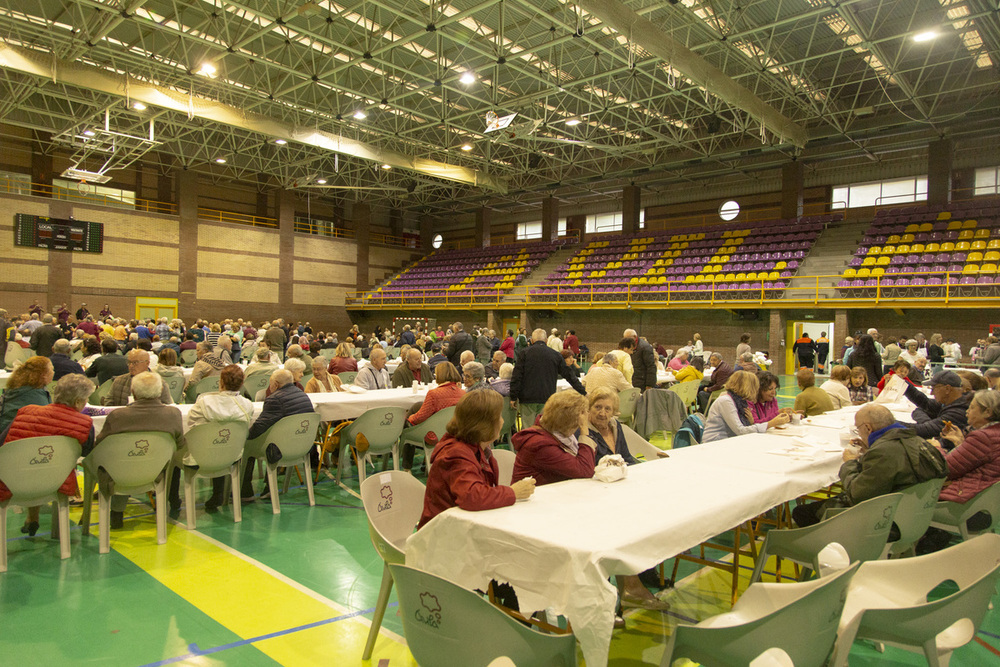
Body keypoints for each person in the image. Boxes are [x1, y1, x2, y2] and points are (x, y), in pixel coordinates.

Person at [791, 404, 947, 527]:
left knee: (801, 512)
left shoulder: (883, 452)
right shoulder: (916, 440)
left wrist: (850, 462)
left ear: (868, 428)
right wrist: (870, 451)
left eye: (858, 428)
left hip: (883, 521)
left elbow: (857, 493)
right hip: (914, 515)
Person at [417, 390, 534, 529]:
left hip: (460, 528)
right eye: (499, 417)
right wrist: (513, 492)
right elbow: (472, 497)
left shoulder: (475, 448)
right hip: (444, 536)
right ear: (485, 425)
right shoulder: (455, 454)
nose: (502, 422)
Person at [0, 374, 95, 536]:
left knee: (33, 462)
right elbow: (85, 453)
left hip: (13, 481)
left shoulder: (26, 411)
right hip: (56, 482)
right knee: (48, 465)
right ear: (78, 401)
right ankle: (38, 521)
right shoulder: (85, 423)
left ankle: (32, 518)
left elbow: (3, 443)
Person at [95, 372, 184, 528]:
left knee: (117, 462)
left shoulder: (118, 416)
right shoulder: (174, 414)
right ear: (160, 391)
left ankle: (117, 511)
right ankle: (172, 499)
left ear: (133, 392)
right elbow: (180, 444)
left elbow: (100, 446)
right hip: (157, 471)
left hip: (121, 474)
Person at [170, 365, 255, 514]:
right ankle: (218, 493)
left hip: (200, 457)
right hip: (231, 455)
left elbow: (192, 426)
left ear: (220, 382)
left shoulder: (203, 403)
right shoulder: (248, 405)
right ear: (242, 384)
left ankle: (173, 499)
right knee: (222, 444)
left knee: (174, 453)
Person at [240, 370, 313, 501]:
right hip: (302, 447)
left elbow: (259, 427)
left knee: (248, 445)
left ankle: (245, 491)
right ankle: (268, 487)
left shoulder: (275, 399)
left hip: (281, 449)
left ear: (275, 384)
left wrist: (244, 437)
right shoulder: (303, 395)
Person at [512, 390, 594, 485]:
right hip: (535, 497)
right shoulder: (540, 444)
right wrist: (584, 430)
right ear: (568, 423)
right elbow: (585, 470)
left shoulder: (551, 429)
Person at [510, 328, 586, 429]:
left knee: (528, 430)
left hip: (527, 398)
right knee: (544, 430)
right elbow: (569, 375)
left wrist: (513, 396)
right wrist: (582, 391)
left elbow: (517, 376)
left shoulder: (524, 353)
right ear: (546, 341)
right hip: (547, 398)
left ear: (532, 341)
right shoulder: (556, 355)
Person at [702, 371, 789, 442]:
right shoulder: (726, 401)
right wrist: (771, 423)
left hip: (728, 440)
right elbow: (740, 430)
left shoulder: (739, 401)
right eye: (754, 387)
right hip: (716, 442)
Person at [903, 370, 973, 444]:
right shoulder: (953, 402)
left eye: (933, 388)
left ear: (947, 389)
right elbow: (925, 404)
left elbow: (923, 431)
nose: (931, 392)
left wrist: (890, 423)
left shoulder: (958, 412)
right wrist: (904, 384)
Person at [582, 387, 638, 465]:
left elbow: (627, 458)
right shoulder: (584, 431)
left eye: (607, 409)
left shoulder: (615, 426)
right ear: (589, 408)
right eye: (598, 407)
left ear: (613, 412)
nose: (602, 413)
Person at [0, 356, 54, 431]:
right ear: (43, 375)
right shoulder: (37, 395)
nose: (53, 372)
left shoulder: (15, 388)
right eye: (51, 369)